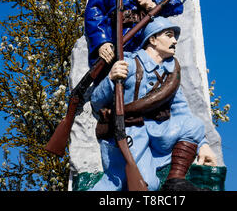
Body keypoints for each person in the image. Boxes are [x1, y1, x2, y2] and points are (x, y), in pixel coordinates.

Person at [89, 17, 217, 191]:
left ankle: (175, 183)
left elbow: (181, 110)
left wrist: (203, 145)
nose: (174, 40)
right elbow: (97, 102)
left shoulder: (169, 74)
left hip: (155, 131)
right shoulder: (130, 63)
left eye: (175, 37)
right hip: (128, 130)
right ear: (153, 39)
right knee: (136, 183)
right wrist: (111, 79)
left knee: (193, 125)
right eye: (169, 35)